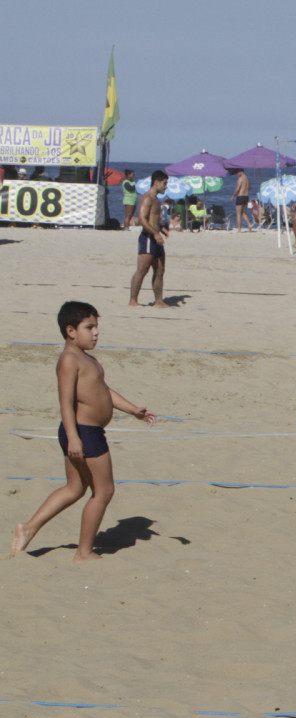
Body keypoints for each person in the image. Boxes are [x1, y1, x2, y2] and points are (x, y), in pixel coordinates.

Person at [9, 301, 156, 562]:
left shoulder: (88, 360)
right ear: (71, 331)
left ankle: (28, 528)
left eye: (97, 327)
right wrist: (74, 437)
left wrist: (133, 409)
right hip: (83, 433)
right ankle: (84, 552)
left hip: (85, 432)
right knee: (104, 491)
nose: (96, 332)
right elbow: (65, 402)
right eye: (89, 327)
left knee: (75, 489)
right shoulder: (68, 360)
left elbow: (104, 390)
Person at [130, 170, 169, 308]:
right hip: (148, 237)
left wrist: (162, 229)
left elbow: (153, 220)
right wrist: (155, 233)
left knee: (160, 270)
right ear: (156, 182)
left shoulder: (157, 200)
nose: (166, 186)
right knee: (142, 270)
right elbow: (142, 219)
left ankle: (158, 301)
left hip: (156, 238)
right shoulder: (147, 198)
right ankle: (133, 301)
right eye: (164, 183)